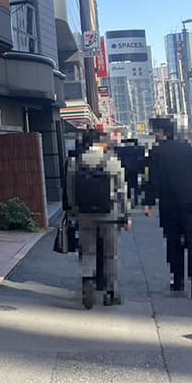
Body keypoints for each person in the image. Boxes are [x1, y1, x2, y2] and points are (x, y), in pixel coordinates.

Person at [144, 117, 192, 298]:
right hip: (191, 202)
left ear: (161, 132)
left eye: (155, 131)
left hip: (168, 203)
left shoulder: (156, 153)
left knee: (173, 242)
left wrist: (149, 203)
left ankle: (178, 280)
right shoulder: (189, 150)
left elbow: (152, 180)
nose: (154, 135)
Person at [67, 130, 130, 309]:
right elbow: (122, 191)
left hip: (84, 214)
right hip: (109, 214)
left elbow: (70, 190)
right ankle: (110, 292)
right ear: (100, 143)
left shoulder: (75, 162)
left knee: (88, 251)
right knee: (110, 254)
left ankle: (88, 279)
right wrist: (126, 214)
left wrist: (73, 210)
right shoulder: (111, 161)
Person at [115, 138, 146, 206]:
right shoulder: (139, 149)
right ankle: (136, 199)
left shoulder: (122, 150)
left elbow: (119, 159)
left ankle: (128, 199)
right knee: (135, 184)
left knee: (127, 184)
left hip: (126, 169)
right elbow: (142, 159)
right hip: (135, 168)